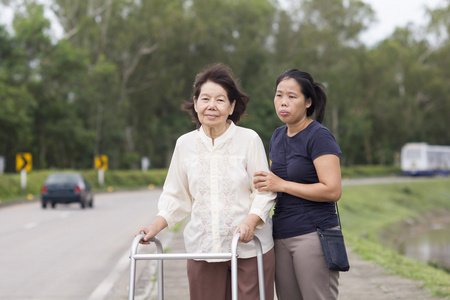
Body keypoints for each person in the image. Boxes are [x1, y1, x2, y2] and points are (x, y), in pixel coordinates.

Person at [136, 63, 276, 300]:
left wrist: (250, 223)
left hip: (249, 250)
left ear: (232, 106)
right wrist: (154, 228)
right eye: (205, 99)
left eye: (220, 100)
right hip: (203, 250)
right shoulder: (185, 144)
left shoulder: (249, 140)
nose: (212, 106)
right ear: (196, 102)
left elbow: (264, 191)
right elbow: (175, 196)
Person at [253, 68, 342, 300]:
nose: (283, 102)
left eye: (292, 97)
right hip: (280, 235)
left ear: (308, 102)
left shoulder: (319, 136)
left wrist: (281, 184)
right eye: (279, 95)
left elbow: (332, 190)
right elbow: (272, 183)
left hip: (313, 234)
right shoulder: (277, 136)